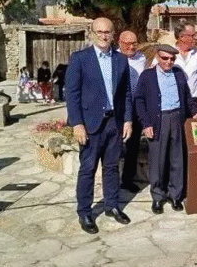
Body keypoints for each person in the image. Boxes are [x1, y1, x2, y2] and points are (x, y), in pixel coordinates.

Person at [65, 18, 133, 233]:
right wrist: (77, 124)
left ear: (114, 34)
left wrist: (128, 119)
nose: (104, 36)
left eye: (108, 32)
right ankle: (85, 212)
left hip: (114, 122)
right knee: (87, 169)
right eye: (100, 32)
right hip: (90, 124)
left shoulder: (121, 60)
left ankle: (112, 206)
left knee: (112, 168)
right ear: (92, 33)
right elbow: (72, 95)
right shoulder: (80, 59)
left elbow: (127, 93)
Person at [135, 44, 197, 215]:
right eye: (165, 58)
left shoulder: (178, 73)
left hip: (177, 118)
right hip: (158, 120)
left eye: (172, 59)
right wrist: (146, 124)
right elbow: (139, 101)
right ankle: (158, 196)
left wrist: (195, 111)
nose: (169, 61)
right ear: (157, 57)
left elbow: (187, 95)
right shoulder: (147, 76)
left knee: (177, 159)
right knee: (158, 161)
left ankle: (175, 195)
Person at [117, 30, 147, 193]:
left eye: (134, 43)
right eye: (127, 43)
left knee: (133, 145)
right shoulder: (113, 57)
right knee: (114, 145)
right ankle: (112, 179)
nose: (131, 46)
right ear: (119, 42)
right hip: (117, 109)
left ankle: (127, 179)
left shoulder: (142, 58)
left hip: (136, 108)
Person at [173, 23, 197, 116]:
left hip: (194, 102)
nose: (196, 38)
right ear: (181, 37)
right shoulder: (168, 54)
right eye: (193, 35)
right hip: (174, 103)